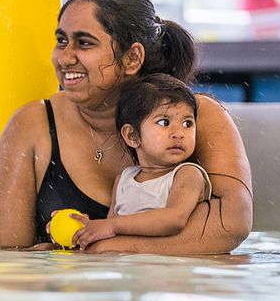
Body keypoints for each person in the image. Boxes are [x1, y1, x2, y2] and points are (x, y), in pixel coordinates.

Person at [0, 0, 251, 254]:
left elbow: (232, 225)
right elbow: (5, 261)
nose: (64, 58)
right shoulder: (33, 126)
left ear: (132, 58)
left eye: (84, 43)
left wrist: (105, 247)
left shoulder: (194, 116)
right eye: (61, 40)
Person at [70, 73, 212, 250]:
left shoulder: (188, 175)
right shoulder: (124, 180)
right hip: (132, 272)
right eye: (164, 122)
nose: (179, 133)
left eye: (187, 123)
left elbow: (174, 219)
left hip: (171, 274)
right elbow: (109, 232)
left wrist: (112, 225)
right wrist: (87, 230)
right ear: (132, 136)